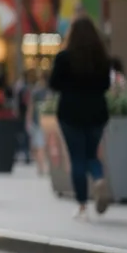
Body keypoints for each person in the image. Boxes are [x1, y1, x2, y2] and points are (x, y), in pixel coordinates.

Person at [49, 17, 112, 220]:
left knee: (77, 157)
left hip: (70, 112)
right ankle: (99, 178)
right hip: (97, 113)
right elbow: (105, 86)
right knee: (91, 154)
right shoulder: (101, 57)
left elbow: (54, 84)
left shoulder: (64, 58)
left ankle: (83, 206)